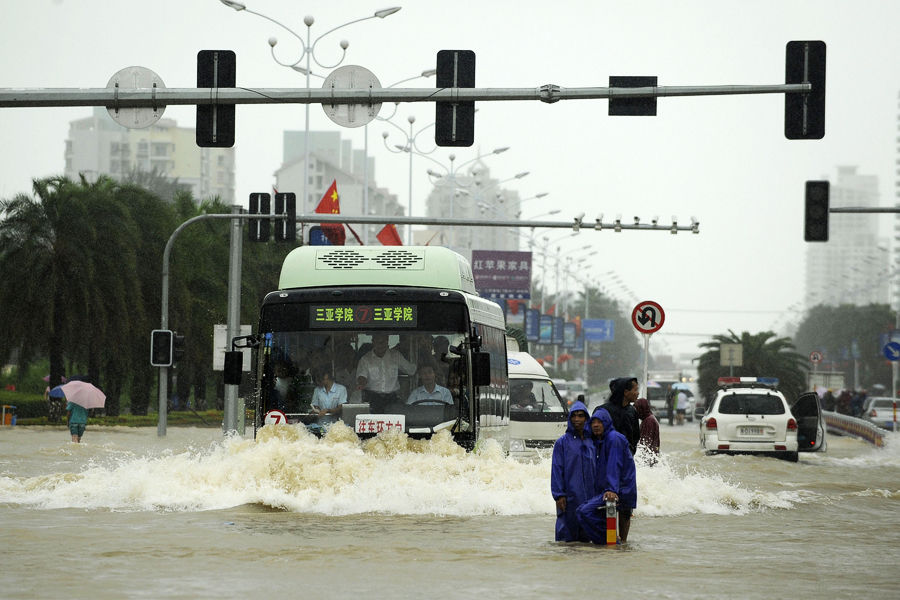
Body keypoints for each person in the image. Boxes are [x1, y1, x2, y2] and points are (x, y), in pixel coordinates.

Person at [576, 407, 638, 543]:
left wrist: (611, 489)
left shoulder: (613, 439)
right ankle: (611, 545)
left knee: (584, 511)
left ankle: (612, 542)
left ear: (607, 423)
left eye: (600, 422)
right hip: (613, 489)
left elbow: (614, 464)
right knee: (588, 513)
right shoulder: (601, 440)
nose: (596, 425)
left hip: (619, 490)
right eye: (593, 422)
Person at [550, 399, 595, 543]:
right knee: (566, 539)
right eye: (574, 416)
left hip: (591, 496)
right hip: (569, 497)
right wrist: (559, 495)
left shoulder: (594, 441)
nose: (577, 419)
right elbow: (557, 469)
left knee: (588, 538)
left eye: (581, 415)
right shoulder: (562, 443)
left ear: (586, 418)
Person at [356, 333, 417, 411]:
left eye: (383, 342)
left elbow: (411, 371)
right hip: (373, 398)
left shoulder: (395, 356)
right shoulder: (365, 359)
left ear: (387, 341)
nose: (380, 345)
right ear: (373, 342)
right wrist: (361, 383)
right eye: (378, 342)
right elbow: (361, 376)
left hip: (392, 399)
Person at [601, 377, 641, 455]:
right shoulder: (603, 411)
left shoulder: (632, 411)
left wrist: (630, 452)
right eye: (635, 390)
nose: (638, 393)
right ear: (626, 392)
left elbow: (636, 436)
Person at [634, 397, 660, 463]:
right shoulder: (649, 419)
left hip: (648, 458)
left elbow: (645, 443)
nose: (635, 413)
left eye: (637, 409)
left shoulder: (649, 421)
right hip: (652, 456)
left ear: (642, 408)